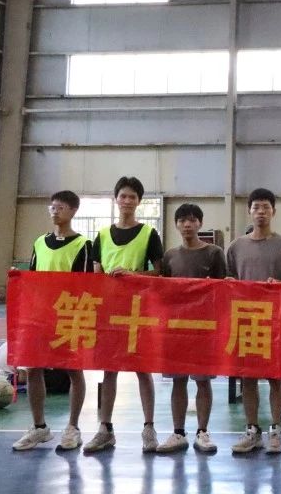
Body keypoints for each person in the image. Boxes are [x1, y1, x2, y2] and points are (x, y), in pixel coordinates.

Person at [84, 176, 164, 455]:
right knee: (109, 370)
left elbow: (159, 273)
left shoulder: (149, 234)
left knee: (143, 369)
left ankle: (149, 428)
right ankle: (105, 428)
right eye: (123, 196)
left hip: (139, 312)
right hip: (110, 312)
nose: (127, 201)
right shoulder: (102, 235)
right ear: (116, 199)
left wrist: (133, 275)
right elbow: (95, 275)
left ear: (139, 201)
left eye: (132, 196)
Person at [12, 190, 92, 452]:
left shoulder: (83, 244)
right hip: (40, 316)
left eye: (61, 207)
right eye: (52, 207)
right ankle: (39, 427)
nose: (55, 212)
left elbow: (85, 285)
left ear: (73, 211)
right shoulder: (39, 242)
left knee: (74, 371)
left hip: (68, 315)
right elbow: (33, 278)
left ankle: (73, 427)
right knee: (34, 369)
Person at [227, 188, 281, 455]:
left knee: (275, 378)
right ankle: (252, 430)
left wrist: (278, 285)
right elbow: (228, 284)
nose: (260, 212)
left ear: (274, 211)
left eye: (265, 207)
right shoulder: (235, 247)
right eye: (256, 207)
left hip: (275, 323)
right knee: (248, 378)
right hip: (246, 322)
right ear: (249, 211)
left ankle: (276, 431)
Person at [155, 203, 226, 454]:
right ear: (176, 224)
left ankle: (202, 432)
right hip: (175, 327)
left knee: (203, 381)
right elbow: (163, 291)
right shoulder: (169, 256)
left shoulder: (214, 253)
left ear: (200, 224)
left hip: (204, 327)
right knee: (178, 380)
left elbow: (222, 289)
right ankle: (178, 432)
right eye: (183, 220)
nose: (187, 224)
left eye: (193, 220)